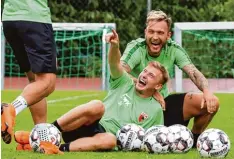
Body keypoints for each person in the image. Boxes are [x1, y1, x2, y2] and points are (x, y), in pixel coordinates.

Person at [14, 29, 169, 153]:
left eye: (151, 75)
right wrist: (114, 46)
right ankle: (48, 131)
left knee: (110, 140)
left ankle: (54, 148)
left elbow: (152, 137)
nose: (144, 75)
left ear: (158, 86)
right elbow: (115, 64)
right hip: (84, 124)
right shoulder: (125, 82)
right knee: (97, 105)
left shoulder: (155, 109)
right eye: (145, 72)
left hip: (103, 137)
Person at [120, 10, 220, 146]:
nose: (155, 37)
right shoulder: (137, 48)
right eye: (151, 31)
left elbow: (193, 72)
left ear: (168, 35)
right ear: (145, 32)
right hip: (135, 106)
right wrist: (151, 90)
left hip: (163, 105)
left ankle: (195, 139)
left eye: (160, 33)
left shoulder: (173, 48)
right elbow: (119, 73)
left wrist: (207, 91)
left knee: (209, 102)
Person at [1, 0, 57, 144]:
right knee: (47, 83)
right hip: (34, 18)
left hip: (9, 18)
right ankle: (11, 109)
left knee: (35, 81)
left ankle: (42, 139)